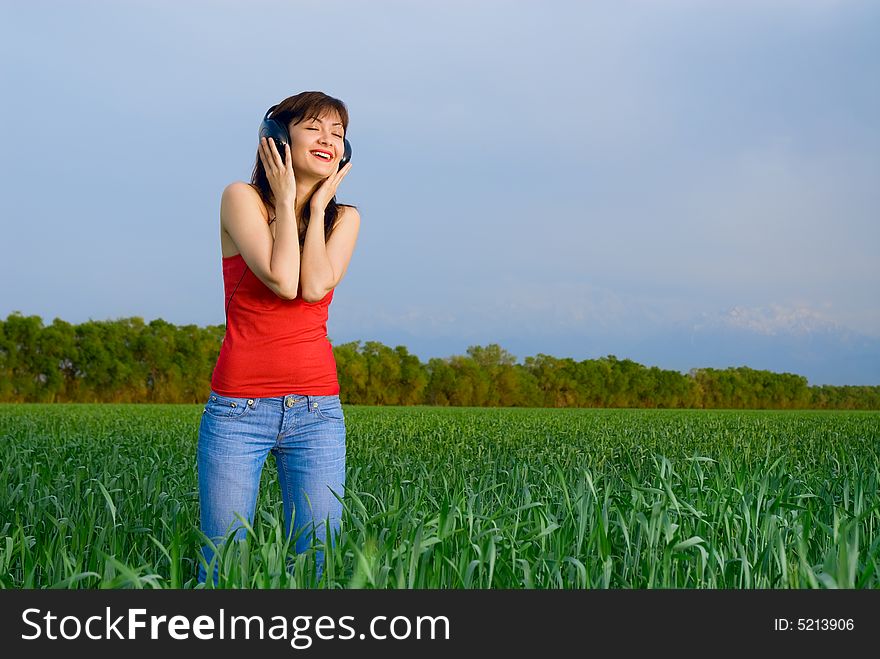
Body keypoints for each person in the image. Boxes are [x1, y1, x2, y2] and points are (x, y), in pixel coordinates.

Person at [196, 91, 359, 586]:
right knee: (224, 567)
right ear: (276, 139)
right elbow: (281, 278)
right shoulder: (239, 198)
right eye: (314, 127)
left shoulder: (345, 218)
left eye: (337, 132)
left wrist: (320, 203)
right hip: (238, 411)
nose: (328, 139)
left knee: (318, 567)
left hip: (317, 412)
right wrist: (287, 200)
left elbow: (312, 286)